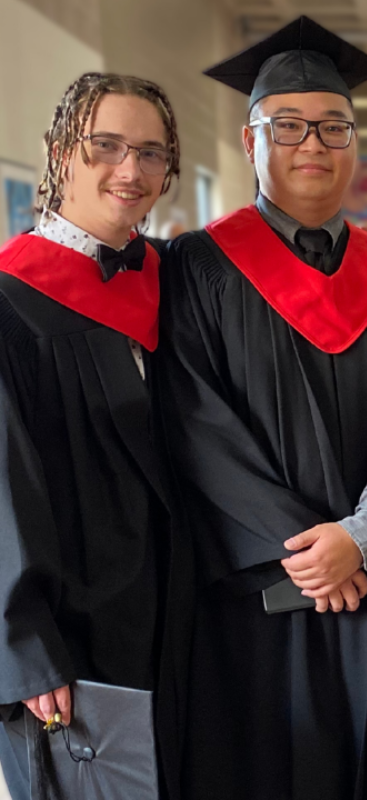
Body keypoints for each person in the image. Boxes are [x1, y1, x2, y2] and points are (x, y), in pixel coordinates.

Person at [159, 16, 367, 800]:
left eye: (333, 126)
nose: (312, 144)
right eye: (287, 126)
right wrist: (309, 556)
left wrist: (360, 540)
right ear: (252, 142)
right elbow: (194, 422)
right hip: (254, 601)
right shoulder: (197, 267)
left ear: (355, 144)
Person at [0, 73, 192, 799]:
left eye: (150, 152)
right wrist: (25, 647)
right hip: (72, 627)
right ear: (58, 153)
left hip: (173, 613)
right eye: (105, 146)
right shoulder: (12, 302)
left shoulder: (170, 282)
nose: (130, 170)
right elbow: (0, 485)